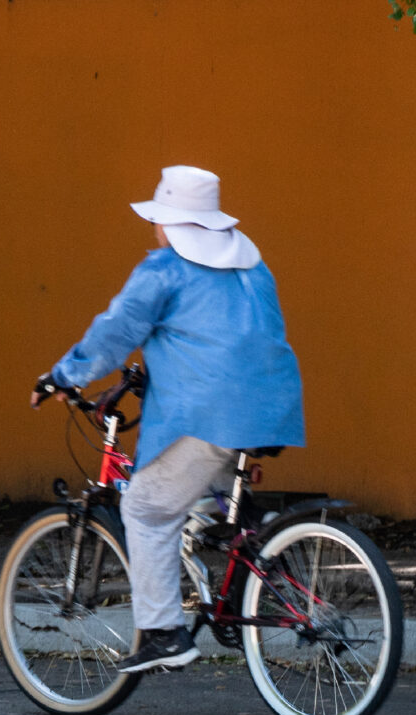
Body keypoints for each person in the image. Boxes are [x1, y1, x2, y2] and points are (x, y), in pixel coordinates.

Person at [31, 165, 304, 674]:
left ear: (172, 225)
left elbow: (114, 333)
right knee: (209, 501)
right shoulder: (253, 265)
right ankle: (261, 543)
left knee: (146, 509)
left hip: (206, 413)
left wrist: (63, 377)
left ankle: (162, 633)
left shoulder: (163, 270)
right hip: (270, 403)